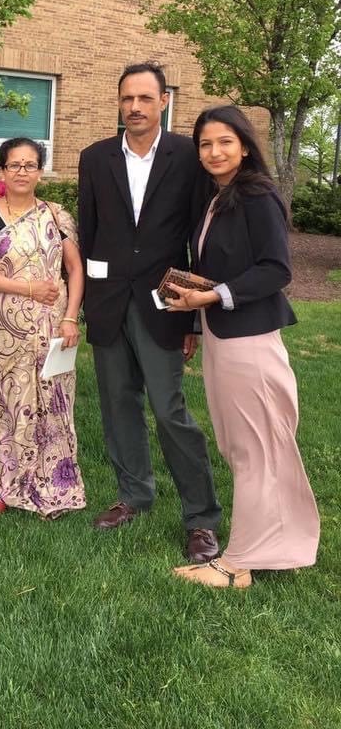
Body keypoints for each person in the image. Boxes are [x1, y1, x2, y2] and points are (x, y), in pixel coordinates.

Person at [166, 106, 320, 588]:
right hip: (223, 336)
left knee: (256, 449)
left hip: (249, 339)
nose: (214, 152)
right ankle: (277, 545)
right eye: (206, 144)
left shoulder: (257, 195)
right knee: (246, 448)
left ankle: (237, 565)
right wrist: (196, 302)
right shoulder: (219, 197)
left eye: (224, 142)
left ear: (246, 146)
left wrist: (212, 295)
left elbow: (277, 269)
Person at [78, 60, 221, 563]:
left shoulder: (187, 156)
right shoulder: (95, 158)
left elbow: (197, 241)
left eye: (144, 98)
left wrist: (193, 316)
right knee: (118, 406)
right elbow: (89, 233)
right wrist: (87, 304)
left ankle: (201, 518)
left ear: (164, 101)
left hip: (165, 302)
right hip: (109, 302)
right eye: (126, 99)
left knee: (169, 410)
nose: (134, 107)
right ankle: (133, 496)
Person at [0, 138, 85, 518]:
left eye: (30, 165)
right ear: (2, 172)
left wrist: (71, 318)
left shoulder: (55, 215)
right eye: (14, 165)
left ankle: (56, 479)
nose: (22, 172)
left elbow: (75, 269)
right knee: (9, 402)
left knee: (53, 401)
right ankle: (5, 485)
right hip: (7, 326)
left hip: (54, 325)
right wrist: (28, 288)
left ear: (40, 171)